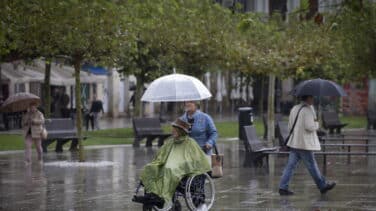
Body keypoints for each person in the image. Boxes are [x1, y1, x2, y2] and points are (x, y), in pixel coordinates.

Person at [133, 118, 211, 208]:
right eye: (173, 128)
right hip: (168, 165)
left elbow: (196, 160)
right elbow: (161, 155)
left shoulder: (190, 143)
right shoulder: (170, 142)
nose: (172, 131)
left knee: (169, 169)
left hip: (182, 169)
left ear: (181, 131)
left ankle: (162, 197)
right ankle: (152, 194)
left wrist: (180, 164)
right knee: (149, 168)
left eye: (175, 129)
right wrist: (157, 162)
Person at [279, 95, 336, 195]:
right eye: (312, 97)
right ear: (308, 98)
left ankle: (283, 187)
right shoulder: (308, 110)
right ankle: (322, 186)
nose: (313, 99)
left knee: (290, 166)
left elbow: (289, 126)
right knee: (312, 166)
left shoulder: (294, 108)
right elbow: (309, 127)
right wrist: (317, 124)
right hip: (304, 144)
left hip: (294, 143)